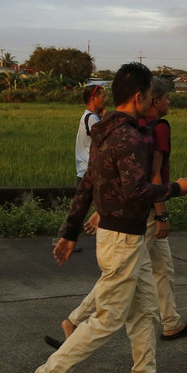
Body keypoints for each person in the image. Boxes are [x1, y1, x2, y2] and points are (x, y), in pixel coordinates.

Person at [9, 63, 187, 373]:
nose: (152, 100)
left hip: (123, 238)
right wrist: (175, 188)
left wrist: (69, 232)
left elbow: (87, 186)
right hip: (124, 240)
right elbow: (136, 191)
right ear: (139, 97)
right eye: (150, 94)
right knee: (106, 321)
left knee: (145, 310)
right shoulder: (128, 137)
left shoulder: (106, 131)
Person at [50, 78, 187, 349]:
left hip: (131, 213)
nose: (168, 102)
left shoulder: (123, 128)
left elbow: (101, 179)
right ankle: (74, 322)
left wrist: (98, 211)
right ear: (147, 99)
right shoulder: (150, 130)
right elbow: (148, 178)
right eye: (163, 98)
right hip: (143, 214)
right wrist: (165, 208)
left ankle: (171, 322)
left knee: (161, 271)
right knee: (116, 287)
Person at [52, 84, 106, 251]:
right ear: (93, 98)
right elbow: (103, 140)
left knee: (82, 207)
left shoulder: (90, 117)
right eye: (102, 95)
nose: (105, 98)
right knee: (80, 208)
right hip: (89, 172)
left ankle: (64, 238)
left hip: (87, 170)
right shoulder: (92, 119)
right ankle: (62, 238)